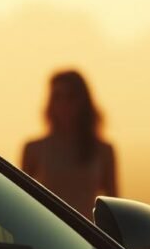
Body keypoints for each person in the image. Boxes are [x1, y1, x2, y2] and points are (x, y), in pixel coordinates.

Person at [21, 70, 117, 218]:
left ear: (83, 102)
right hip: (46, 233)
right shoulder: (35, 149)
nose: (64, 104)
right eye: (58, 97)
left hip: (88, 237)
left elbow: (114, 208)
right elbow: (22, 202)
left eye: (71, 97)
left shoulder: (103, 151)